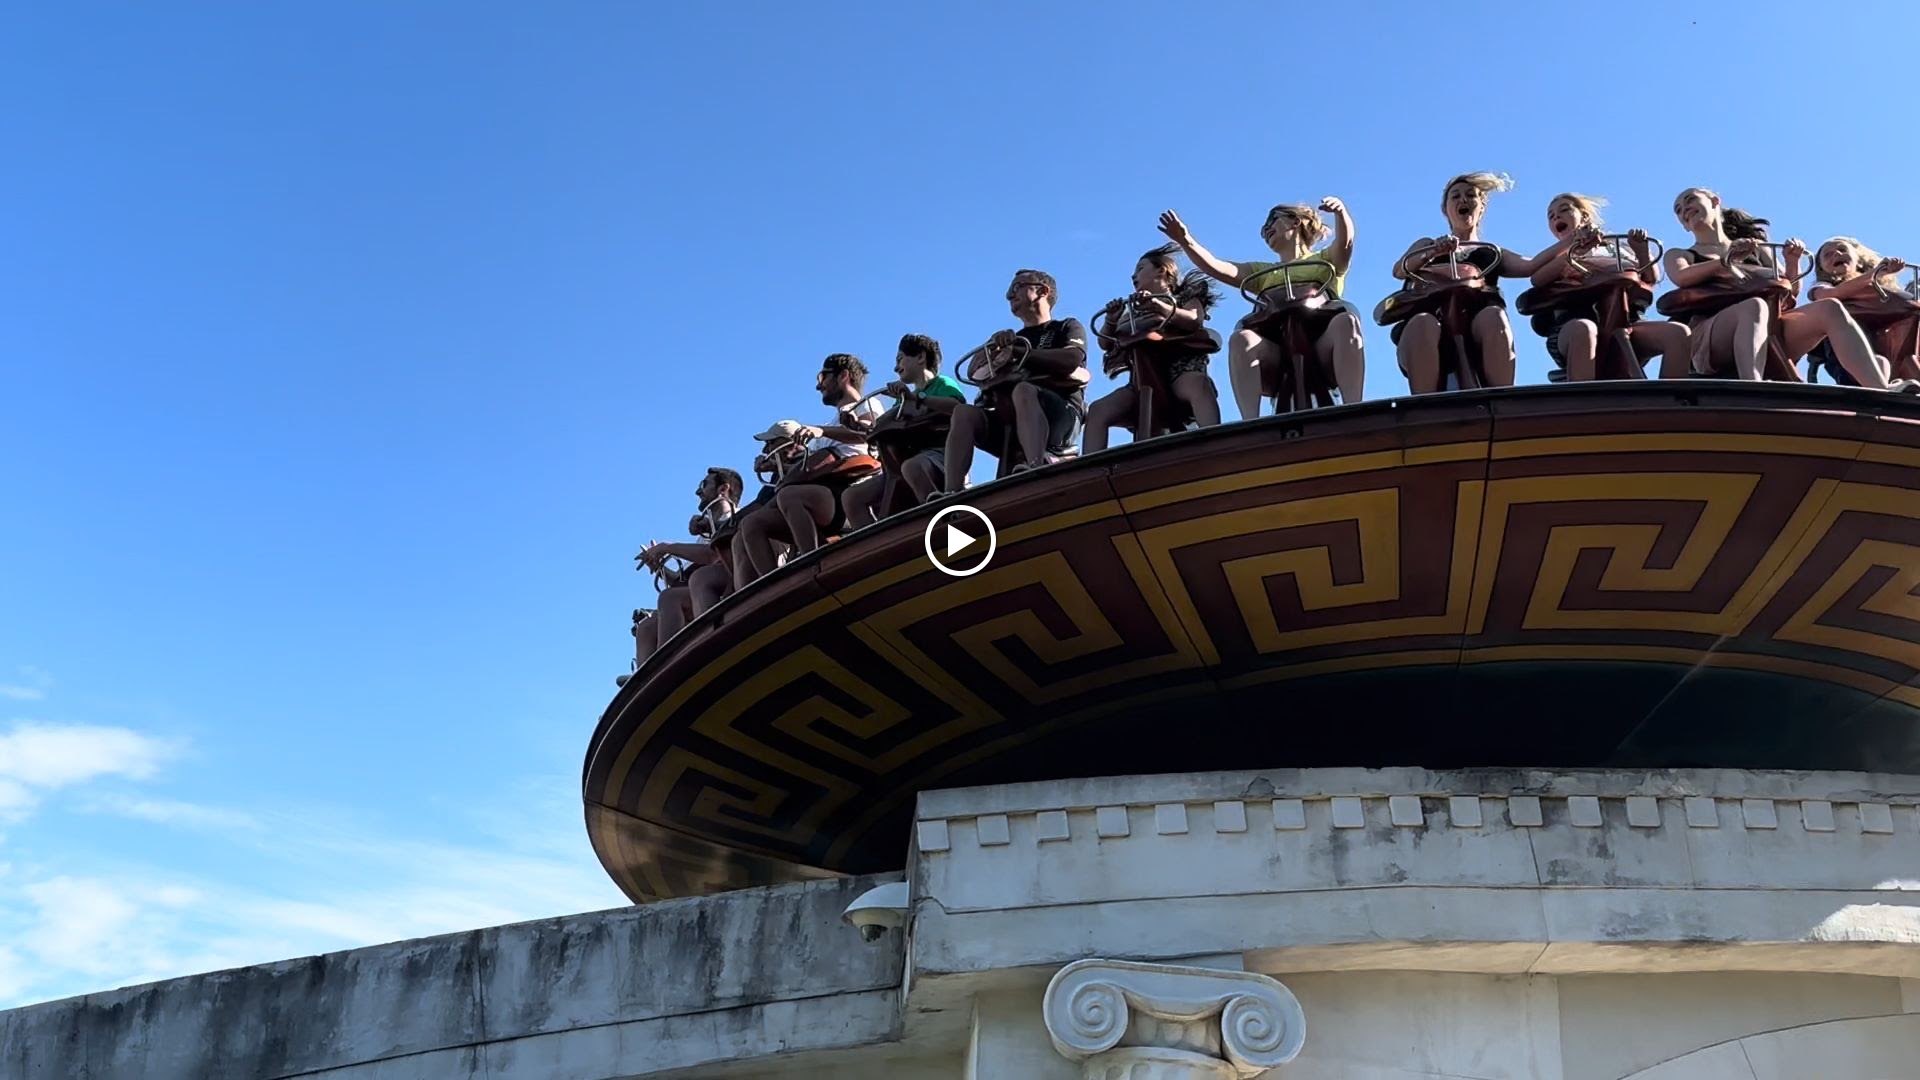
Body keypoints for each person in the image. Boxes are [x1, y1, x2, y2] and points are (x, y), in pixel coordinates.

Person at [1663, 188, 1893, 387]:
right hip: (1709, 338)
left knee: (1829, 308)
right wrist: (1725, 261)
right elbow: (1682, 277)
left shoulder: (1758, 249)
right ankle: (1752, 386)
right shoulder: (1679, 255)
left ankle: (1880, 389)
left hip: (1770, 328)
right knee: (1754, 307)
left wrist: (1792, 262)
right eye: (1678, 210)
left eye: (1690, 200)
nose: (1685, 209)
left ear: (1715, 202)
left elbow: (1789, 291)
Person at [1158, 199, 1362, 415]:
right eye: (1264, 228)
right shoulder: (1262, 273)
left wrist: (1340, 212)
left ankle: (1353, 408)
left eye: (1272, 220)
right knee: (1242, 339)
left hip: (1321, 343)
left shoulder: (1325, 260)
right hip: (1278, 349)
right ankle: (1250, 420)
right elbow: (1218, 268)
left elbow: (1345, 244)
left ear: (1295, 222)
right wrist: (1186, 240)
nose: (1266, 230)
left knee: (1345, 322)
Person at [1388, 172, 1537, 393]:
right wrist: (1433, 252)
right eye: (1455, 196)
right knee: (1422, 323)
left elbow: (1532, 266)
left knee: (1494, 316)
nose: (1463, 200)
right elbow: (1400, 270)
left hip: (1477, 329)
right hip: (1429, 330)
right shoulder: (1427, 245)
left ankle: (1502, 399)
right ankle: (1425, 405)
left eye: (1470, 195)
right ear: (1445, 209)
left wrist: (1571, 245)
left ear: (1481, 206)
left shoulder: (1490, 252)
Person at [941, 270, 1089, 490]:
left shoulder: (1067, 326)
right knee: (964, 413)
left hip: (1060, 415)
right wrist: (990, 348)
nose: (1009, 295)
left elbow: (1072, 359)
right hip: (1010, 419)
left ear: (1042, 291)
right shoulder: (1012, 339)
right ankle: (951, 492)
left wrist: (1022, 354)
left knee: (1023, 390)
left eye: (1017, 287)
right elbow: (974, 373)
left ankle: (1035, 465)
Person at [739, 354, 885, 575]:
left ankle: (812, 566)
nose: (819, 386)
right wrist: (776, 467)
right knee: (752, 524)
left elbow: (868, 432)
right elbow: (811, 469)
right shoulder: (828, 427)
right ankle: (776, 585)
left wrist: (821, 431)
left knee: (790, 496)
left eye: (823, 377)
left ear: (843, 376)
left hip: (850, 489)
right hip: (822, 493)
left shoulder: (867, 405)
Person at [1521, 193, 1689, 380]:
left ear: (1584, 216)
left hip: (1626, 320)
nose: (1556, 217)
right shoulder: (1559, 256)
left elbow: (1650, 278)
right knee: (1584, 329)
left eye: (1564, 210)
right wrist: (1578, 250)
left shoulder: (1618, 248)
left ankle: (1670, 395)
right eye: (1551, 216)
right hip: (1573, 323)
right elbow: (1538, 279)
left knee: (1678, 334)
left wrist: (1641, 251)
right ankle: (1584, 393)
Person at [1084, 243, 1221, 453]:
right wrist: (1111, 319)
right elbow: (1106, 343)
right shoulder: (1132, 311)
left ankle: (1215, 443)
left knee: (1199, 385)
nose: (1134, 276)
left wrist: (1159, 306)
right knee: (1098, 410)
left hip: (1181, 371)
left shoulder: (1184, 299)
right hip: (1140, 379)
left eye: (1140, 268)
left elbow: (1194, 319)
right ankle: (1093, 463)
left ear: (1161, 270)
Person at [622, 466, 743, 684]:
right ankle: (645, 681)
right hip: (701, 591)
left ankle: (667, 668)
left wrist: (667, 547)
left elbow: (711, 556)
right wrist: (660, 568)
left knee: (669, 598)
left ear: (723, 489)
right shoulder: (705, 532)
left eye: (704, 485)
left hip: (729, 587)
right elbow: (682, 581)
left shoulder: (733, 518)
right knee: (647, 627)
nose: (698, 491)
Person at [842, 334, 968, 526]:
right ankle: (881, 541)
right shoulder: (901, 400)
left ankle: (944, 518)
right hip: (900, 462)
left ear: (920, 357)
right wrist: (858, 426)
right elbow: (887, 428)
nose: (896, 367)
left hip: (941, 455)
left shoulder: (942, 384)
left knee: (912, 467)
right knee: (851, 497)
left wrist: (917, 398)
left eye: (900, 359)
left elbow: (957, 407)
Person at [1807, 238, 1918, 386]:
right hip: (1846, 355)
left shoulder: (1879, 289)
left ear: (1858, 260)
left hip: (1882, 346)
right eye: (1828, 255)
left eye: (1842, 249)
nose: (1836, 254)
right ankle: (1882, 386)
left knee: (1888, 358)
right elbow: (1829, 295)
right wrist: (1875, 274)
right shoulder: (1823, 286)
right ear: (1822, 269)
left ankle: (1901, 380)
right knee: (1879, 363)